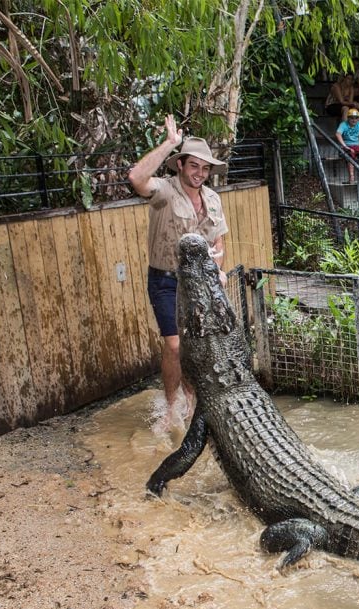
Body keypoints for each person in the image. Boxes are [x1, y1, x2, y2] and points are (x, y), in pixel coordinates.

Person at [127, 114, 228, 432]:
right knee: (174, 345)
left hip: (199, 283)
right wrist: (170, 143)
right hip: (166, 280)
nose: (200, 173)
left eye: (205, 167)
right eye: (194, 165)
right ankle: (171, 408)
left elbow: (219, 243)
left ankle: (192, 399)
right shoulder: (165, 192)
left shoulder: (213, 199)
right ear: (181, 165)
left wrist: (217, 270)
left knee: (195, 345)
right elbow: (136, 177)